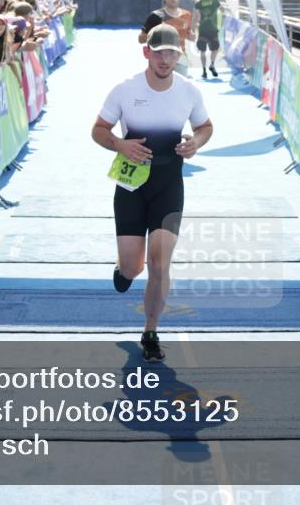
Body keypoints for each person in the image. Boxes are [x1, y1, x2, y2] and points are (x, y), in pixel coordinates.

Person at [91, 23, 213, 362]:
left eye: (172, 52)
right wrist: (119, 144)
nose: (165, 59)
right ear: (147, 52)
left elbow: (204, 127)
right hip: (131, 187)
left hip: (169, 186)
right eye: (159, 52)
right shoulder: (125, 89)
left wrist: (195, 143)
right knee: (134, 268)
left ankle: (150, 330)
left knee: (160, 265)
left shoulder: (189, 91)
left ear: (179, 55)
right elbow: (98, 130)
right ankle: (123, 269)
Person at [138, 0, 194, 75]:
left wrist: (192, 36)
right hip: (161, 58)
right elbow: (141, 39)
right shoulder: (155, 15)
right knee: (160, 87)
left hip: (180, 57)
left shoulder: (186, 15)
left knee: (180, 87)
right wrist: (159, 33)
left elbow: (189, 34)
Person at [192, 0, 221, 79]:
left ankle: (204, 70)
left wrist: (192, 27)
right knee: (215, 49)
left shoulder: (199, 3)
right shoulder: (215, 1)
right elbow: (223, 10)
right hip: (212, 29)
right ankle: (211, 64)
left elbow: (195, 16)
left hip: (203, 30)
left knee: (203, 51)